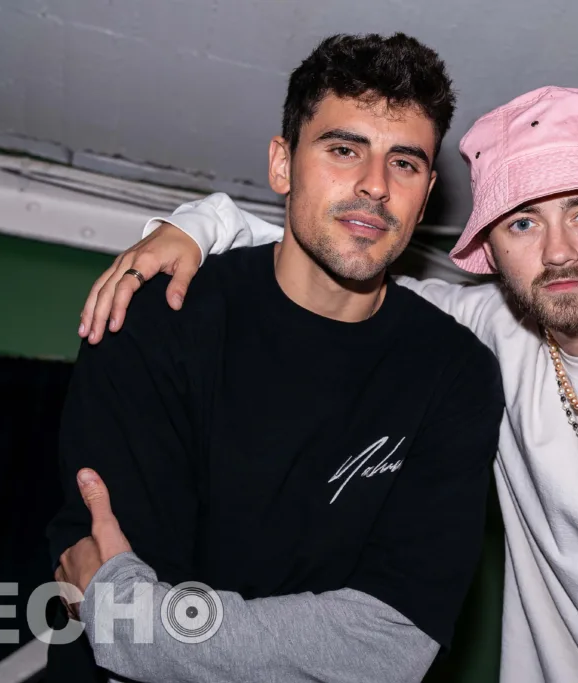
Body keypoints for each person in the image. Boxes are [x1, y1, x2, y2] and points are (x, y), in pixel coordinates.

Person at [82, 85, 578, 683]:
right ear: (489, 252)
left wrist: (144, 624)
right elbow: (338, 252)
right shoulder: (492, 333)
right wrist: (196, 224)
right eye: (524, 224)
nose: (559, 253)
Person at [46, 32, 505, 683]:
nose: (374, 185)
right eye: (345, 149)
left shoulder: (454, 372)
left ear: (426, 194)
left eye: (403, 163)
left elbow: (387, 647)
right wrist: (133, 622)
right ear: (283, 165)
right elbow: (104, 616)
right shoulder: (155, 317)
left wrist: (141, 622)